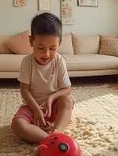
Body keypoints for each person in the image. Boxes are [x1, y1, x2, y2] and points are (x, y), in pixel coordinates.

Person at [11, 12, 73, 143]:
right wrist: (35, 109)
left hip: (54, 107)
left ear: (59, 44)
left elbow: (67, 89)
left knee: (67, 101)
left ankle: (57, 132)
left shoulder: (59, 61)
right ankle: (50, 140)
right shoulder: (27, 62)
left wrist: (51, 98)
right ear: (31, 41)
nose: (46, 54)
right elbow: (24, 89)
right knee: (17, 124)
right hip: (32, 107)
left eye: (52, 48)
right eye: (40, 48)